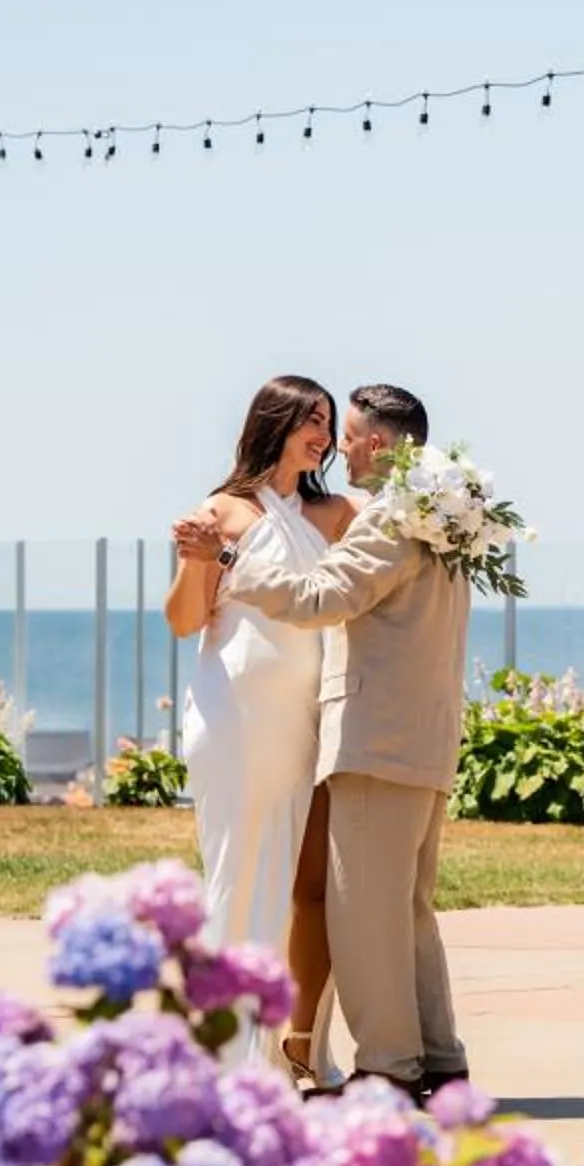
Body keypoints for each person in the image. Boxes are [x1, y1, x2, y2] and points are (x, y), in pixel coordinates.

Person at [196, 383, 472, 1102]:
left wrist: (230, 563)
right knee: (408, 911)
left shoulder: (390, 519)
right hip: (424, 736)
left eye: (347, 434)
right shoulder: (442, 515)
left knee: (366, 915)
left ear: (378, 444)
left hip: (377, 738)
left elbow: (322, 599)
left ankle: (389, 1066)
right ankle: (440, 1060)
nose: (340, 447)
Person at [164, 376, 357, 1072]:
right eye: (311, 418)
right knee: (238, 868)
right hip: (235, 712)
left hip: (311, 714)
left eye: (329, 422)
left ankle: (297, 1042)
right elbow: (188, 620)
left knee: (308, 884)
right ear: (272, 422)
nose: (323, 433)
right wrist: (196, 559)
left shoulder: (337, 514)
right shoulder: (221, 512)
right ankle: (224, 1048)